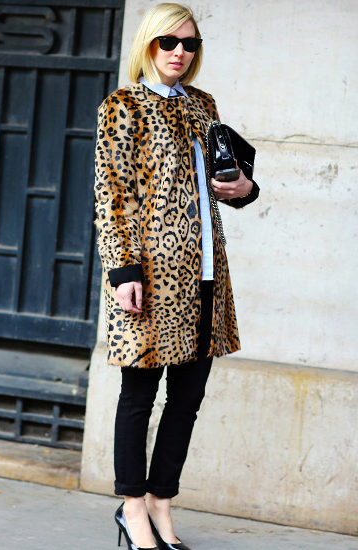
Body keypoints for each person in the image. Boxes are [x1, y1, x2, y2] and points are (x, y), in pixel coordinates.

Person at [94, 3, 259, 549]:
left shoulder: (203, 104)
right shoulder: (122, 106)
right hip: (150, 276)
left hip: (207, 274)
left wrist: (245, 189)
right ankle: (132, 509)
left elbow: (224, 178)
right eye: (168, 42)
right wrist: (123, 270)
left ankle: (161, 504)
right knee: (138, 397)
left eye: (189, 43)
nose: (180, 52)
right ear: (148, 44)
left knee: (187, 400)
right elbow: (112, 197)